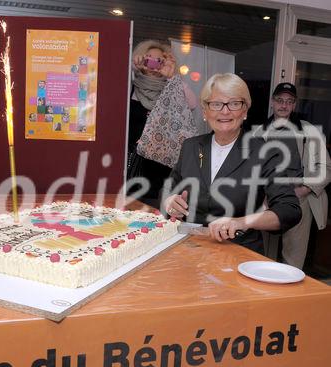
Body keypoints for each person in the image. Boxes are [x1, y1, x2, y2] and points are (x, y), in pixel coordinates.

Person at [163, 73, 302, 254]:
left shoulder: (265, 152)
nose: (225, 111)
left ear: (244, 111)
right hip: (188, 248)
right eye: (216, 104)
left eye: (235, 103)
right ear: (205, 111)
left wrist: (241, 222)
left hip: (238, 252)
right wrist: (169, 201)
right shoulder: (190, 146)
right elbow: (169, 188)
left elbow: (289, 210)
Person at [258, 82, 331, 268]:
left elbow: (326, 168)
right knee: (265, 255)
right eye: (280, 100)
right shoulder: (258, 133)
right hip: (268, 200)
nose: (284, 105)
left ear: (294, 105)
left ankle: (289, 293)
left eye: (289, 101)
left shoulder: (310, 131)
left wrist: (304, 189)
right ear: (273, 102)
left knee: (294, 258)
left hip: (300, 199)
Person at [127, 39, 198, 207]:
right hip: (134, 159)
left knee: (157, 207)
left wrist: (173, 76)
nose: (152, 65)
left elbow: (192, 104)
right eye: (148, 59)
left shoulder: (171, 88)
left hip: (161, 161)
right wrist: (132, 66)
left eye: (158, 61)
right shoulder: (130, 86)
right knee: (132, 207)